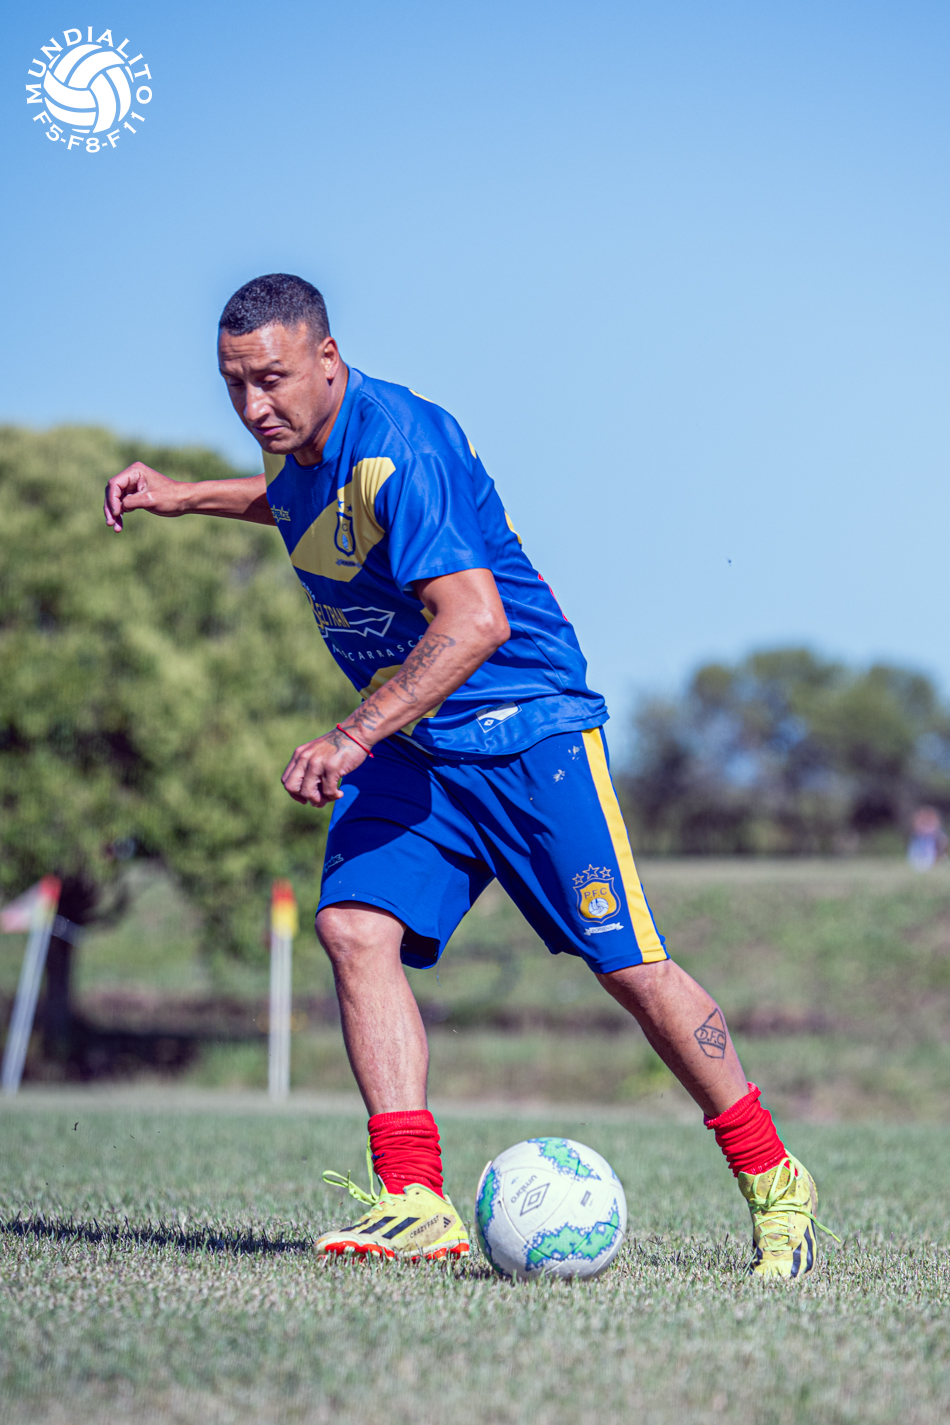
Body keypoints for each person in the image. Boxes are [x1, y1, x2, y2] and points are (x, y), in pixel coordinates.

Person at [104, 273, 831, 1279]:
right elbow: (307, 507)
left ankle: (774, 1181)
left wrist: (353, 735)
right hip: (417, 746)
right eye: (234, 384)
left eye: (270, 379)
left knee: (631, 969)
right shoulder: (305, 448)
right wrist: (185, 496)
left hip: (527, 733)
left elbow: (476, 620)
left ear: (327, 358)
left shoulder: (402, 444)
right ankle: (413, 1198)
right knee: (353, 927)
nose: (253, 406)